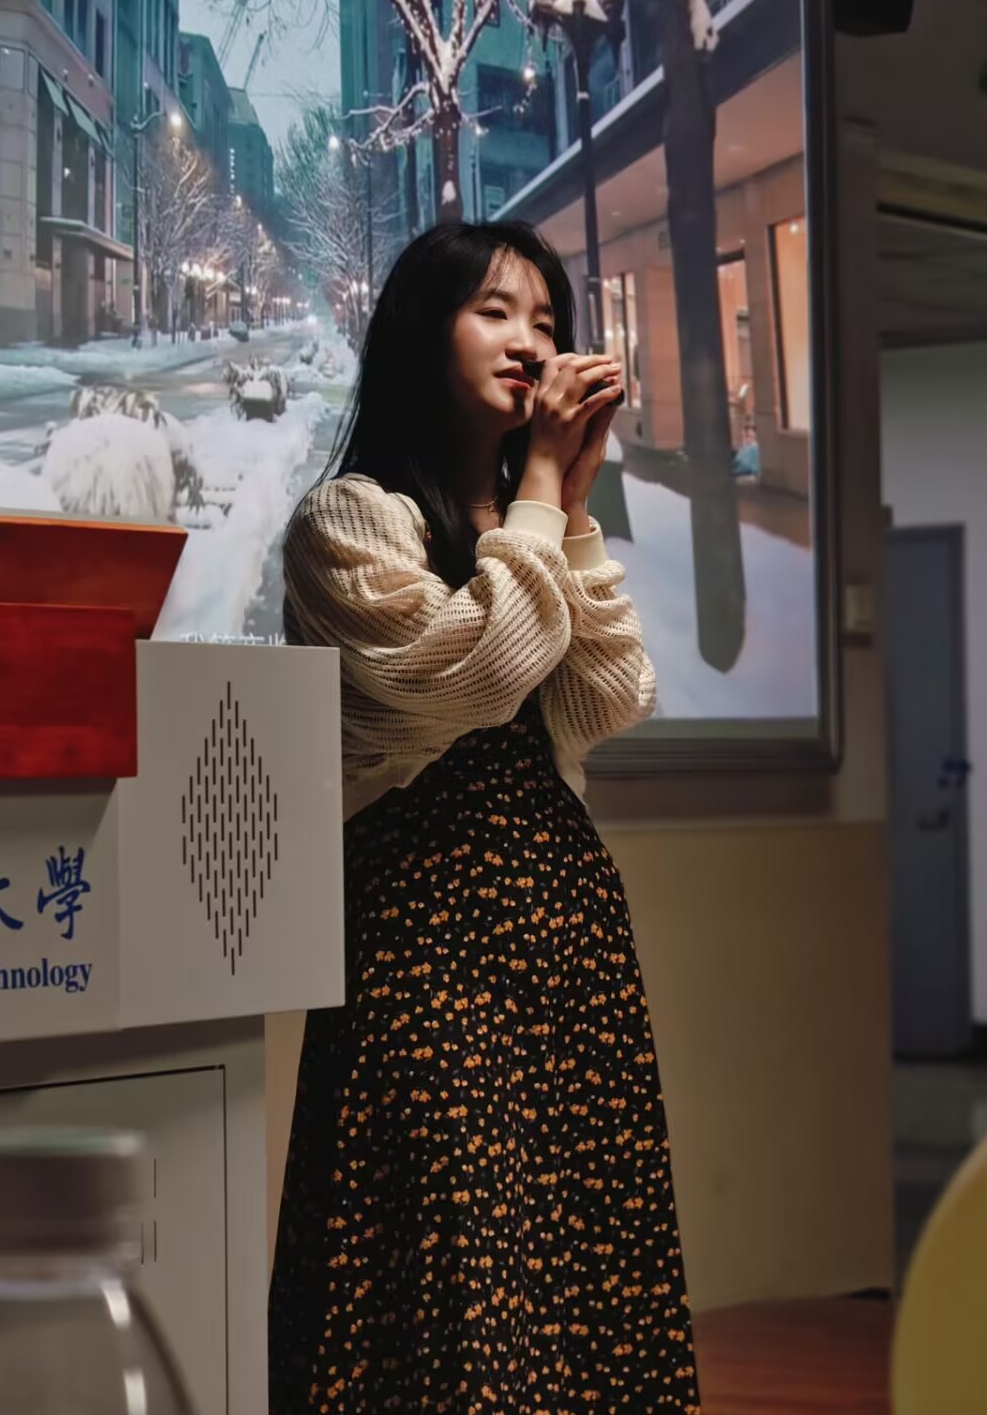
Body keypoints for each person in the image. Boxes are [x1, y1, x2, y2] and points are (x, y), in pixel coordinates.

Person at [268, 222, 700, 1413]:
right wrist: (544, 496)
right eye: (495, 312)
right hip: (424, 938)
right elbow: (476, 674)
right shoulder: (349, 522)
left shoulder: (531, 521)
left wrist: (565, 503)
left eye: (547, 323)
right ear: (425, 331)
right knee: (445, 1260)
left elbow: (608, 696)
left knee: (576, 1257)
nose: (529, 344)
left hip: (565, 937)